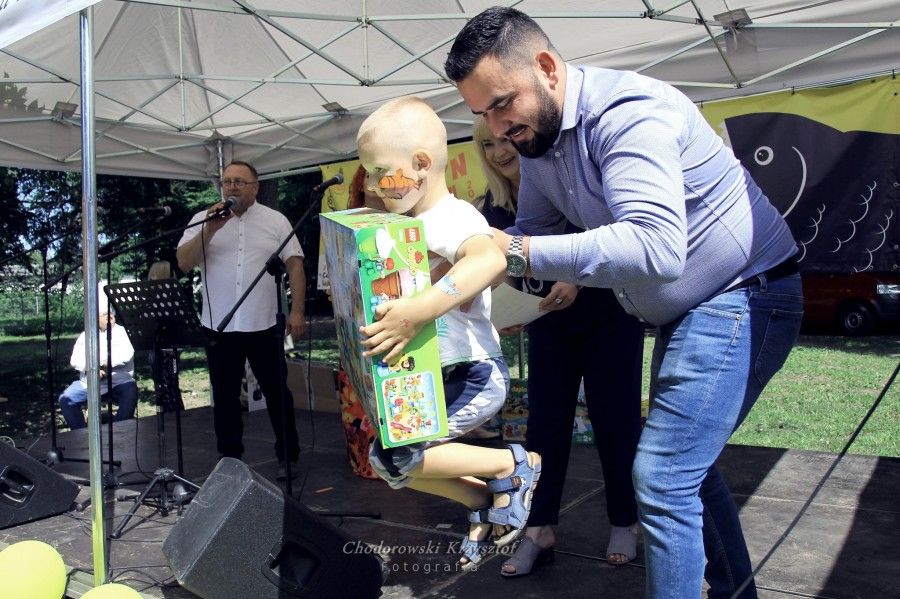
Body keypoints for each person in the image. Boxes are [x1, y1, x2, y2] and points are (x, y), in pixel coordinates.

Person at [446, 7, 804, 598]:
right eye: (482, 113)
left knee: (663, 475)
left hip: (746, 292)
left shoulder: (629, 112)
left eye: (503, 104)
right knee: (686, 471)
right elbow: (533, 243)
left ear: (546, 68)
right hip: (687, 310)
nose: (498, 128)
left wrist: (513, 252)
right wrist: (463, 264)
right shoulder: (536, 142)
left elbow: (656, 247)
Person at [354, 96, 541, 570]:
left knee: (399, 457)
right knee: (386, 461)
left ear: (421, 164)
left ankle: (510, 464)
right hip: (436, 374)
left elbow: (491, 259)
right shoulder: (408, 225)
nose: (372, 186)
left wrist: (417, 311)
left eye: (380, 173)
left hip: (474, 371)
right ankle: (481, 500)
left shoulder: (451, 218)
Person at [472, 115, 644, 575]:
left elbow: (608, 236)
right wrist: (503, 310)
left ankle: (626, 521)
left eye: (506, 139)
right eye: (487, 145)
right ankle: (538, 528)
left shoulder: (564, 182)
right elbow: (506, 270)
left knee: (616, 420)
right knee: (544, 428)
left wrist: (576, 280)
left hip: (610, 312)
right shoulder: (492, 211)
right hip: (548, 324)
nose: (500, 151)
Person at [176, 160, 305, 480]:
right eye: (227, 181)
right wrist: (209, 229)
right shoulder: (203, 219)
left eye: (239, 181)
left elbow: (295, 265)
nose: (231, 186)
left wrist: (298, 310)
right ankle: (230, 458)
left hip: (264, 322)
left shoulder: (275, 220)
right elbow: (183, 263)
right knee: (225, 396)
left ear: (255, 188)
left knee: (277, 393)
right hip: (218, 323)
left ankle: (288, 455)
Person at [58, 291, 137, 430]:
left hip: (119, 381)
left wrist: (101, 364)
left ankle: (119, 431)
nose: (109, 317)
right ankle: (82, 434)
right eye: (104, 315)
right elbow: (75, 360)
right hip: (88, 383)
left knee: (130, 393)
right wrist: (92, 369)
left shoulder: (123, 332)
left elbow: (126, 355)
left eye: (110, 314)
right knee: (66, 399)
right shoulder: (86, 335)